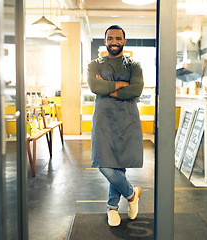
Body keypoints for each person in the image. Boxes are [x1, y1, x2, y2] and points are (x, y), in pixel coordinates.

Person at [87, 25, 144, 227]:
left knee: (118, 164)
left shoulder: (134, 65)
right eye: (110, 38)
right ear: (105, 41)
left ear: (124, 41)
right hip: (103, 120)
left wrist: (108, 88)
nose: (114, 41)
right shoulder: (94, 64)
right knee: (104, 164)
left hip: (126, 120)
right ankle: (131, 194)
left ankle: (112, 208)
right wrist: (121, 85)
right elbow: (95, 87)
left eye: (118, 38)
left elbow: (136, 90)